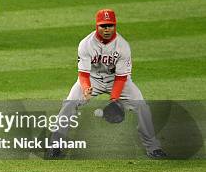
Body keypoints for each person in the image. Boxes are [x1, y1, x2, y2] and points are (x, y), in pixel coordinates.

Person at [48, 9, 167, 159]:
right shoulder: (86, 44)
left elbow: (121, 77)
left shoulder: (123, 46)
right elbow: (83, 74)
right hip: (92, 79)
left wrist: (114, 99)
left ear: (115, 25)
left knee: (141, 106)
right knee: (69, 103)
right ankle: (55, 146)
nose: (106, 29)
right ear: (97, 26)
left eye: (110, 25)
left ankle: (153, 148)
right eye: (103, 26)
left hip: (116, 80)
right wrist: (86, 89)